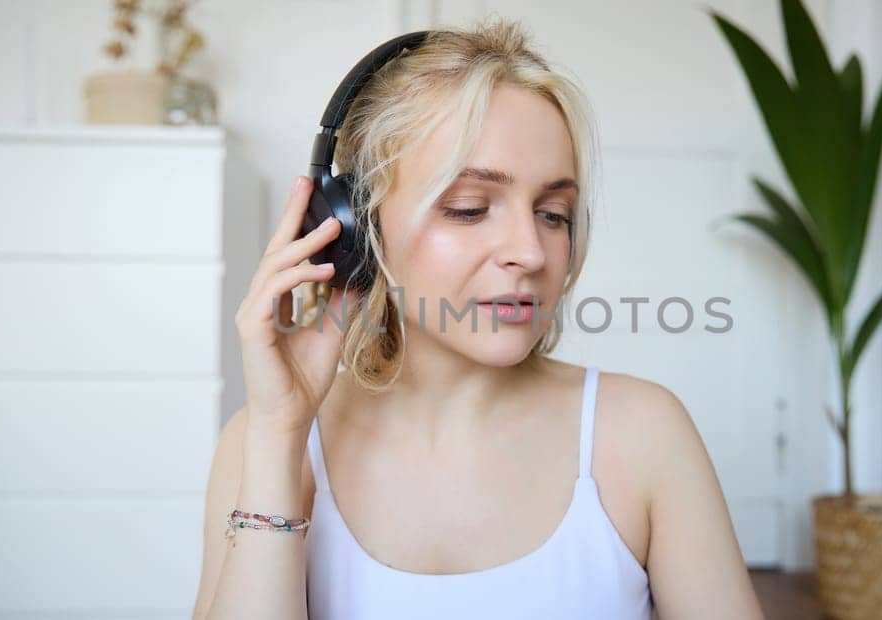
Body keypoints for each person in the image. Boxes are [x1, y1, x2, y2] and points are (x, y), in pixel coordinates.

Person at [193, 16, 762, 620]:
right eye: (468, 209)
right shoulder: (262, 443)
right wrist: (281, 438)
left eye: (553, 213)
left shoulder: (646, 435)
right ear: (355, 229)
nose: (532, 251)